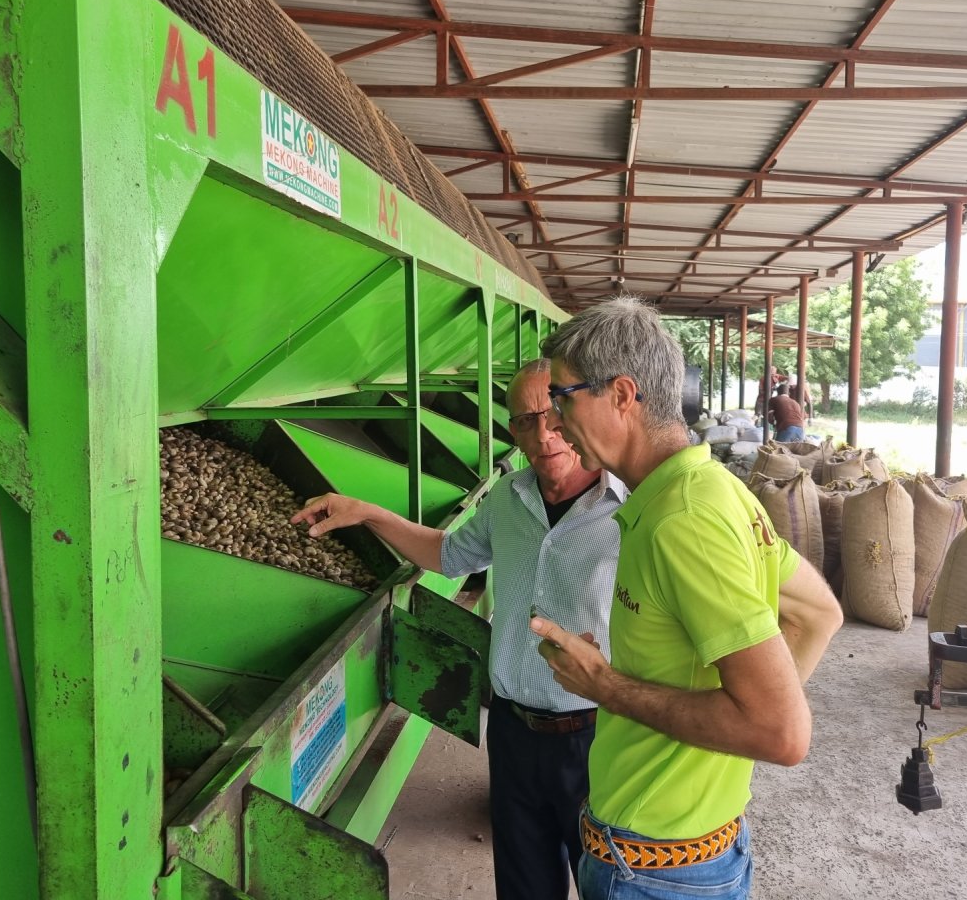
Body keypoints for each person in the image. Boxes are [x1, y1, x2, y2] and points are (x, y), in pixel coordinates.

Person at [529, 298, 843, 900]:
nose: (553, 421)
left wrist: (604, 686)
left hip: (656, 874)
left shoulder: (685, 520)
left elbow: (781, 732)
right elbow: (815, 613)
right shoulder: (714, 489)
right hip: (687, 852)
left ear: (622, 395)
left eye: (563, 397)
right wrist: (727, 736)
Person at [291, 359, 626, 900]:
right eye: (522, 421)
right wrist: (369, 513)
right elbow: (449, 555)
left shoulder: (630, 508)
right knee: (523, 885)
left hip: (600, 737)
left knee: (608, 885)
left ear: (575, 410)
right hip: (515, 733)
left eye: (551, 414)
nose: (542, 436)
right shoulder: (509, 498)